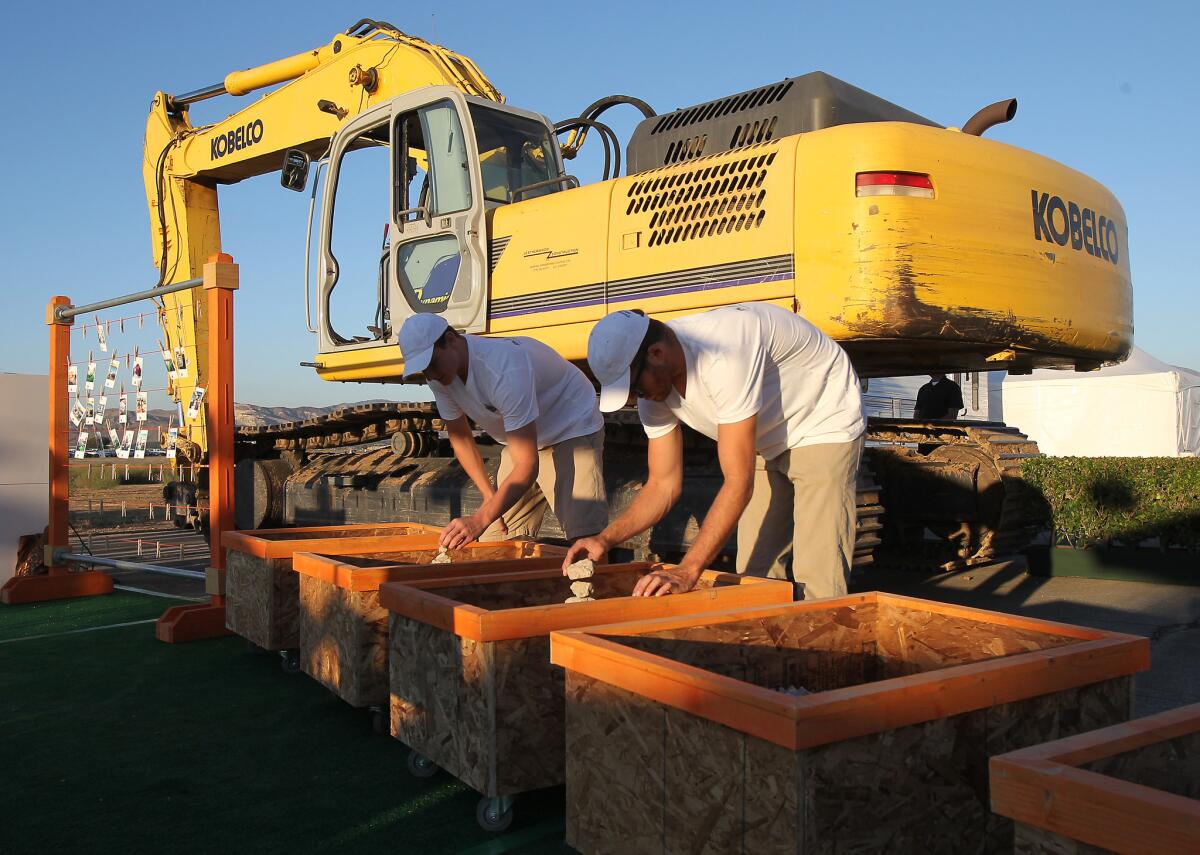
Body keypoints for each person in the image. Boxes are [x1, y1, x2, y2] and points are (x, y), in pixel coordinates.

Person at [565, 303, 865, 599]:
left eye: (635, 388)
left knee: (816, 571)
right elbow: (663, 485)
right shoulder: (654, 394)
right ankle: (762, 642)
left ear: (657, 354)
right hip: (767, 434)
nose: (635, 398)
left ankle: (825, 639)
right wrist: (604, 539)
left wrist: (688, 569)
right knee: (753, 572)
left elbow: (738, 482)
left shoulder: (724, 354)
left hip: (821, 417)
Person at [399, 314, 607, 550]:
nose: (431, 375)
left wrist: (479, 519)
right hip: (526, 442)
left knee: (585, 542)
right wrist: (489, 496)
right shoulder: (440, 377)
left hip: (571, 428)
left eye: (432, 364)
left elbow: (527, 466)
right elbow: (461, 438)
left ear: (451, 339)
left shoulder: (503, 369)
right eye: (424, 370)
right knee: (496, 540)